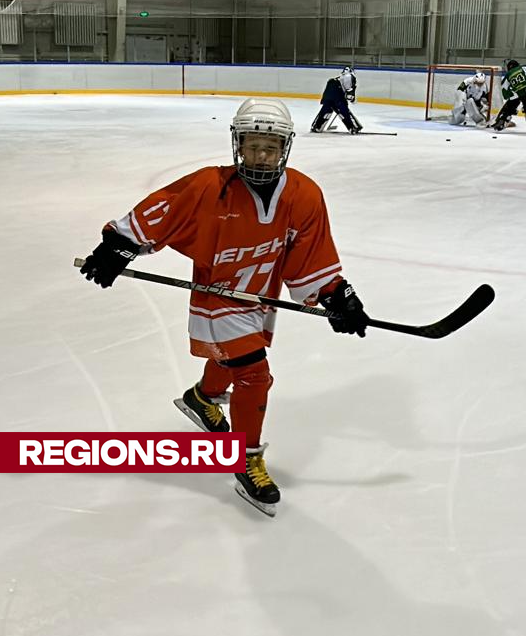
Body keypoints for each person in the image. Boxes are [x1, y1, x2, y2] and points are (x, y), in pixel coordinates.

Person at [79, 97, 370, 516]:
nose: (261, 155)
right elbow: (158, 213)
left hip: (258, 296)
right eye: (252, 146)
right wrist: (116, 247)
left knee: (236, 360)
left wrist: (336, 294)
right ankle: (246, 459)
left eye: (270, 147)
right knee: (254, 375)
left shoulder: (304, 195)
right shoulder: (208, 187)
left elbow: (313, 255)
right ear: (238, 145)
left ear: (285, 147)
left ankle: (202, 398)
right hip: (218, 295)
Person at [491, 59, 526, 132]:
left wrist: (509, 96)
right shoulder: (525, 67)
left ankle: (501, 121)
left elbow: (504, 89)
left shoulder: (508, 75)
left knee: (508, 107)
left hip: (515, 93)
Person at [311, 66, 363, 134]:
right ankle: (353, 127)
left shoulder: (340, 77)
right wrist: (351, 99)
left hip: (329, 90)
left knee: (327, 109)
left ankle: (317, 127)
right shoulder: (349, 76)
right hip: (337, 93)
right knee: (343, 110)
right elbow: (349, 94)